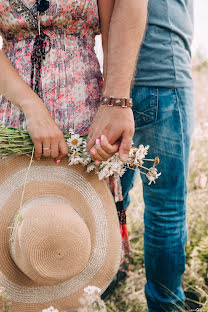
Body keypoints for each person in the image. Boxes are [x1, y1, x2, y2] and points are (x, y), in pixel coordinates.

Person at [120, 0, 195, 311]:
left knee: (114, 196)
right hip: (164, 76)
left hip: (116, 83)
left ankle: (108, 271)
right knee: (166, 210)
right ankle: (166, 304)